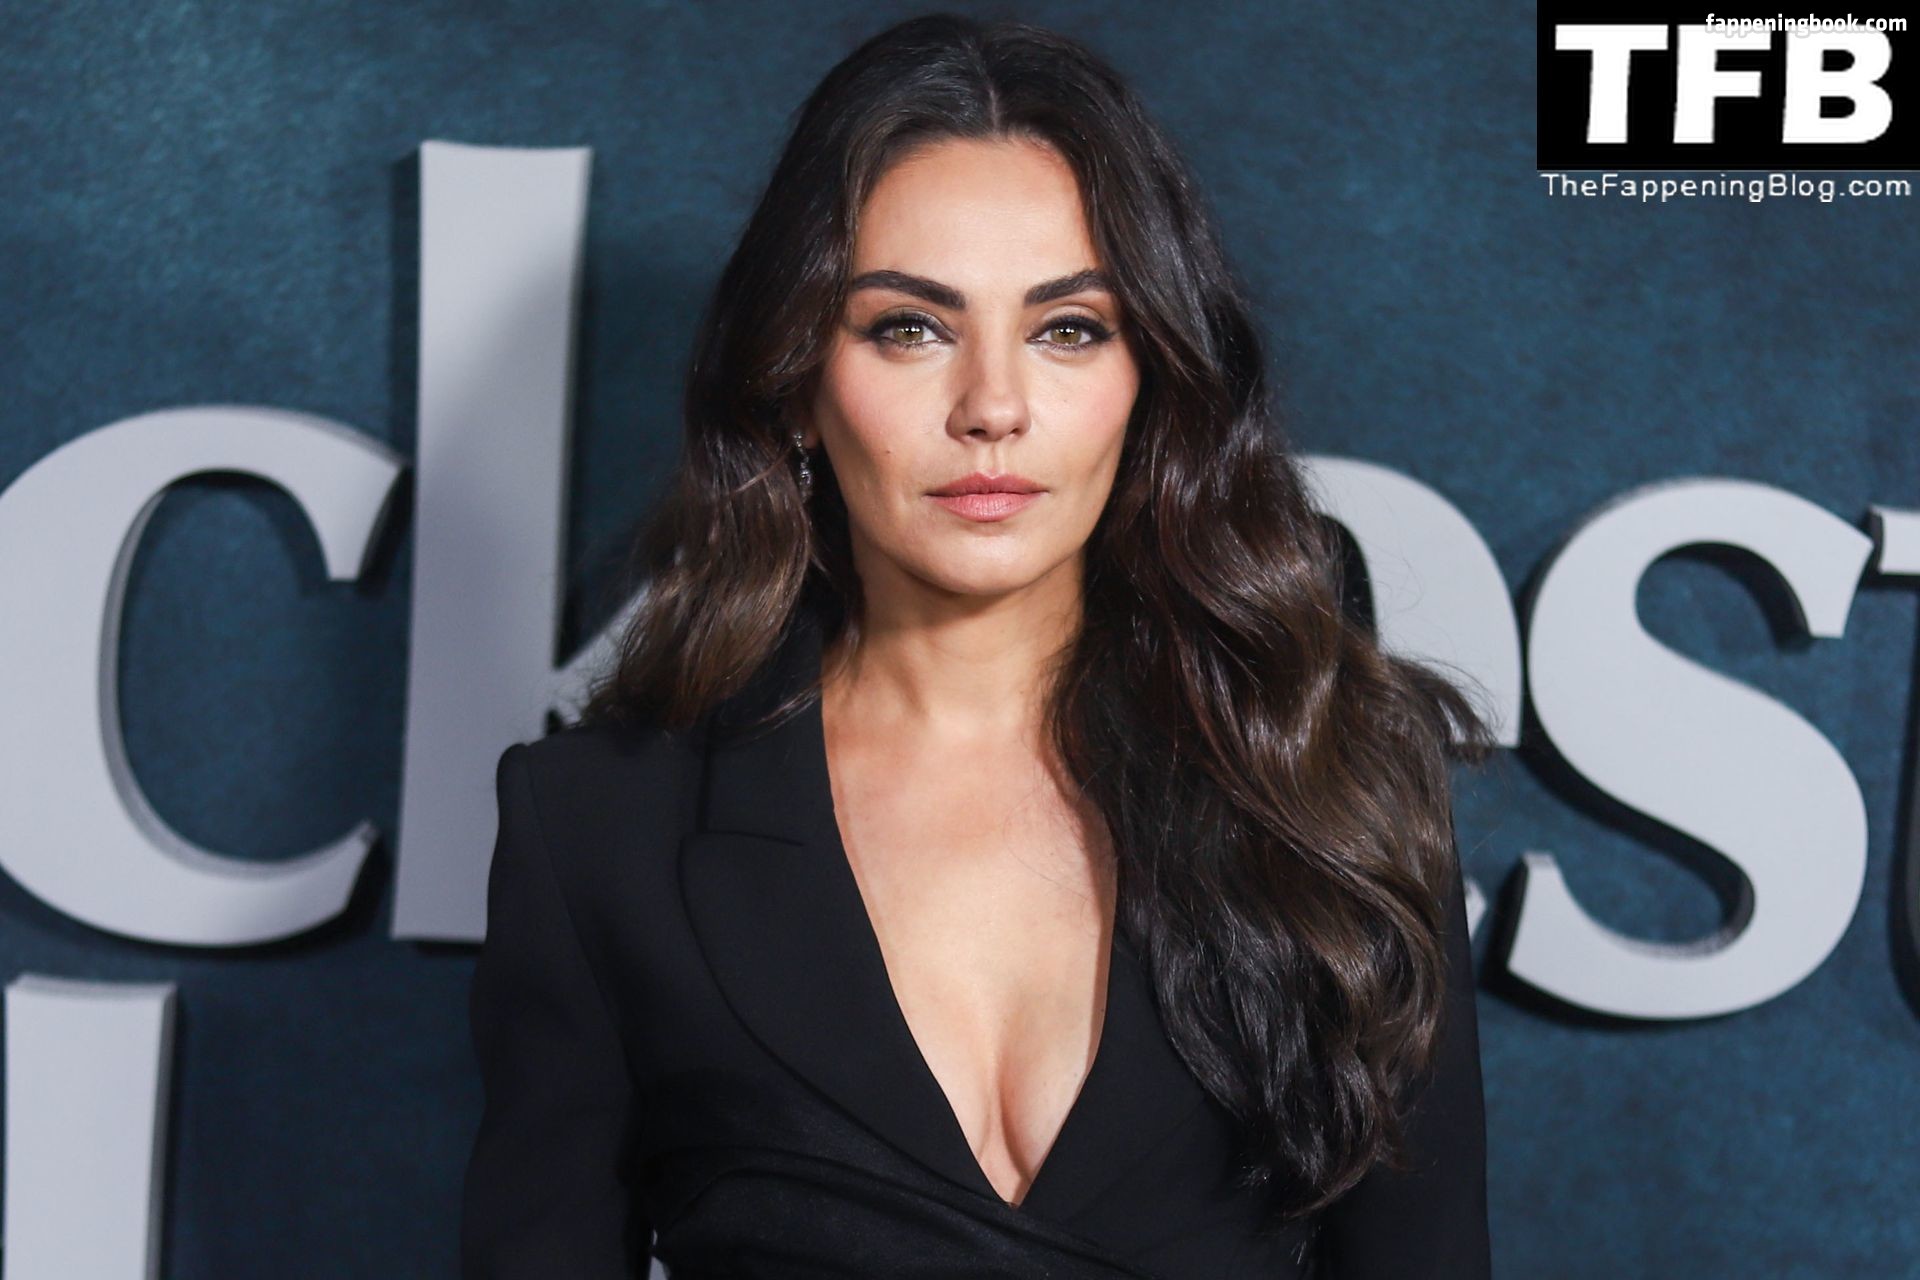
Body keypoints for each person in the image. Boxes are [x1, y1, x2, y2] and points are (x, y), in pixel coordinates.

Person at [460, 13, 1498, 1279]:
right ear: (796, 380)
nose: (993, 406)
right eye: (910, 326)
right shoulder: (599, 828)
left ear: (1152, 379)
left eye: (1069, 328)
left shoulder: (1332, 780)